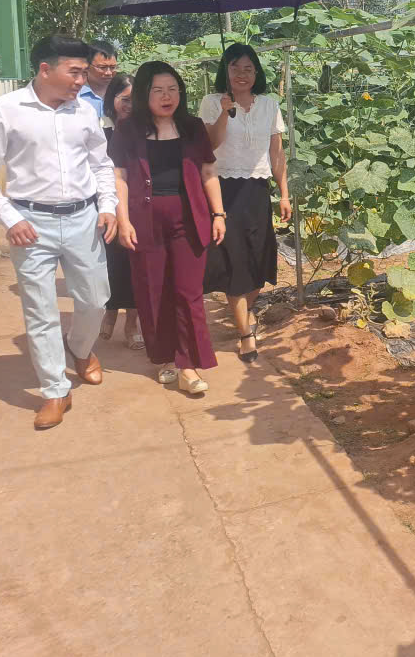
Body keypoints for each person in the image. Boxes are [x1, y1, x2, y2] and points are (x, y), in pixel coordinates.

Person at [0, 34, 117, 429]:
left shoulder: (85, 111)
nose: (81, 81)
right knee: (40, 310)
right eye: (75, 72)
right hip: (30, 224)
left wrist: (108, 206)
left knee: (95, 299)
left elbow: (101, 163)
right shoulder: (6, 109)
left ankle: (80, 348)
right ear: (45, 69)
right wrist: (8, 218)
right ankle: (54, 390)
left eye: (84, 73)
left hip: (84, 219)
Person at [111, 61, 226, 394]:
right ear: (144, 94)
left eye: (173, 89)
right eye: (158, 90)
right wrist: (123, 220)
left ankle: (188, 365)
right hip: (144, 220)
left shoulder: (192, 127)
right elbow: (118, 177)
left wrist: (219, 214)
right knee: (153, 291)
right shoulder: (128, 130)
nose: (167, 97)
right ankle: (165, 358)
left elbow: (208, 172)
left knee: (189, 293)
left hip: (188, 219)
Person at [198, 43, 292, 363]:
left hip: (257, 190)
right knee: (235, 262)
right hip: (223, 191)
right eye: (235, 68)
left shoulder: (269, 105)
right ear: (225, 71)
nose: (242, 74)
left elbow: (277, 154)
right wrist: (225, 113)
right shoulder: (212, 102)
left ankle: (245, 310)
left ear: (257, 72)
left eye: (248, 68)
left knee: (260, 260)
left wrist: (284, 193)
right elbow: (209, 145)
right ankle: (245, 334)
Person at [98, 73, 144, 350]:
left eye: (134, 99)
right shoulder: (98, 130)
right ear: (111, 99)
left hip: (137, 203)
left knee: (135, 264)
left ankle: (131, 324)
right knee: (111, 263)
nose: (130, 105)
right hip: (105, 206)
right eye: (124, 99)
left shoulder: (145, 129)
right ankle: (111, 310)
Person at [77, 40, 119, 120]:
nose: (108, 72)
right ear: (87, 66)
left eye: (112, 67)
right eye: (102, 67)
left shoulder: (121, 93)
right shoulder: (74, 95)